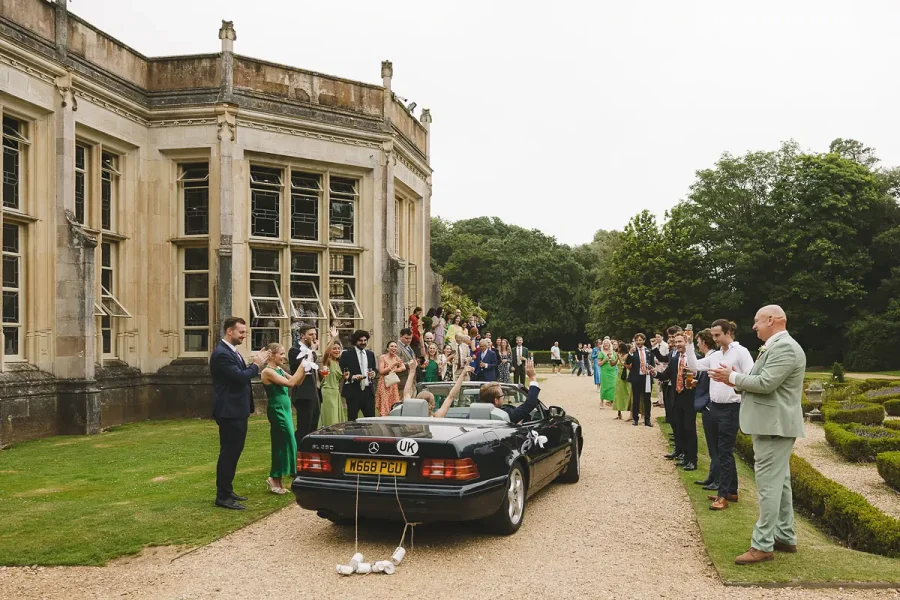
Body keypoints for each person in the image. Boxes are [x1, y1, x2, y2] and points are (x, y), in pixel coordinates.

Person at [710, 306, 805, 565]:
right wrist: (734, 381)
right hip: (770, 424)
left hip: (773, 426)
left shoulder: (784, 347)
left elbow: (766, 384)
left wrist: (733, 376)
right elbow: (762, 382)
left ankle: (762, 545)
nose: (754, 326)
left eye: (757, 321)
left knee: (768, 485)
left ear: (771, 320)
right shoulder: (776, 346)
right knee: (781, 483)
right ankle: (785, 535)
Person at [686, 320, 755, 509]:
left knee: (724, 451)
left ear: (728, 332)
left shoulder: (741, 352)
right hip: (714, 406)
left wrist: (734, 377)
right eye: (713, 335)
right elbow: (694, 366)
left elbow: (751, 376)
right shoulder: (715, 355)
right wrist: (689, 344)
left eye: (717, 335)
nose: (714, 338)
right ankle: (731, 491)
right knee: (719, 450)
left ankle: (722, 495)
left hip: (731, 408)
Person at [209, 317, 269, 510]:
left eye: (245, 332)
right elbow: (239, 377)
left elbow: (240, 373)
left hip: (237, 410)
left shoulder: (231, 351)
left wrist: (252, 363)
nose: (244, 335)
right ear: (229, 332)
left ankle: (227, 490)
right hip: (229, 411)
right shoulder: (221, 354)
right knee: (229, 452)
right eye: (241, 332)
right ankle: (222, 495)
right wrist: (256, 365)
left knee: (234, 452)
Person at [260, 341, 311, 494]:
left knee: (283, 443)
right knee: (286, 440)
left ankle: (277, 480)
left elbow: (298, 382)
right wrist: (303, 364)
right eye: (281, 354)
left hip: (285, 408)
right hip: (277, 409)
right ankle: (274, 477)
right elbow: (290, 383)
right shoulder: (268, 372)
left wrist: (306, 366)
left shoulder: (279, 369)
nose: (284, 357)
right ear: (271, 355)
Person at [653, 330, 697, 470]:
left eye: (680, 341)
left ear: (686, 342)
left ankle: (692, 459)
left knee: (689, 428)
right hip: (677, 395)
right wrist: (655, 373)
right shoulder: (675, 358)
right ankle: (682, 453)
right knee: (679, 426)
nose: (677, 344)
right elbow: (667, 374)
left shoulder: (694, 358)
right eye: (676, 342)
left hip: (690, 397)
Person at [691, 329, 718, 492]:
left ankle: (718, 480)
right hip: (707, 404)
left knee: (716, 446)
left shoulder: (713, 357)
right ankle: (712, 476)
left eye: (698, 341)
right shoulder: (709, 358)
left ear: (704, 342)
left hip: (710, 405)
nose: (697, 345)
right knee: (711, 446)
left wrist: (707, 403)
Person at [401, 357, 474, 418]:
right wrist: (463, 373)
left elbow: (406, 393)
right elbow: (451, 396)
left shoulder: (409, 415)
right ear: (433, 405)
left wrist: (412, 371)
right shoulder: (437, 417)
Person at [480, 358, 541, 424]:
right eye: (502, 395)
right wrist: (532, 377)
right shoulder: (505, 415)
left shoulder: (471, 416)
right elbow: (530, 404)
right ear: (496, 400)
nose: (503, 397)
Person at [289, 325, 320, 447]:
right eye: (311, 334)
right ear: (302, 335)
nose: (314, 337)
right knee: (304, 427)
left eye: (315, 334)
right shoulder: (294, 350)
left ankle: (309, 452)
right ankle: (298, 452)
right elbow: (305, 365)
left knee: (313, 426)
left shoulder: (310, 350)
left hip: (314, 393)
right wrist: (312, 350)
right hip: (302, 393)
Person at [339, 329, 377, 421]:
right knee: (352, 419)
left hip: (368, 390)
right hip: (353, 390)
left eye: (365, 340)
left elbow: (374, 369)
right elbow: (342, 371)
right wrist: (352, 377)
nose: (363, 343)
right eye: (360, 340)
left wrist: (374, 373)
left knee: (371, 419)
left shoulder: (370, 354)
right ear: (355, 341)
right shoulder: (346, 354)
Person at [317, 327, 346, 428]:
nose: (337, 350)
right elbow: (326, 353)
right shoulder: (327, 361)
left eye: (338, 348)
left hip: (336, 392)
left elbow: (337, 379)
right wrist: (333, 338)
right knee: (331, 419)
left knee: (337, 420)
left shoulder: (337, 363)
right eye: (334, 348)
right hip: (328, 392)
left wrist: (344, 377)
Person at [624, 333, 653, 427]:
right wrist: (631, 353)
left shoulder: (648, 351)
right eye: (637, 340)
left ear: (644, 341)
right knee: (636, 399)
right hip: (636, 377)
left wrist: (650, 368)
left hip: (646, 377)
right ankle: (635, 419)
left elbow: (652, 363)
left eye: (640, 340)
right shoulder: (633, 351)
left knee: (647, 399)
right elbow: (627, 362)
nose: (638, 342)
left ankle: (647, 420)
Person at [376, 341, 406, 416]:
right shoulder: (382, 357)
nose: (394, 348)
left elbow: (403, 367)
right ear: (387, 348)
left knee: (394, 403)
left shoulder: (396, 357)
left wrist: (396, 370)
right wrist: (393, 365)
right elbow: (381, 371)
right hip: (384, 383)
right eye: (392, 346)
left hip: (393, 383)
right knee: (384, 404)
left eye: (395, 347)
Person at [613, 341, 631, 420]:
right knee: (618, 393)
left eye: (619, 347)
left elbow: (625, 364)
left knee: (627, 392)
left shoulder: (627, 355)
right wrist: (610, 359)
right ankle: (619, 413)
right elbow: (613, 364)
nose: (618, 348)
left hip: (625, 375)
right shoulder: (618, 355)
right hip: (619, 375)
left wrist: (619, 358)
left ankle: (631, 412)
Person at [598, 339, 617, 408]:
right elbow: (599, 364)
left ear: (610, 345)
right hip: (605, 372)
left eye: (607, 343)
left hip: (612, 372)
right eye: (605, 343)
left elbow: (615, 361)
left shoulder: (614, 353)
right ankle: (601, 402)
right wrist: (605, 359)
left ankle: (612, 401)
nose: (606, 344)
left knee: (613, 386)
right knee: (604, 386)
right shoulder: (601, 353)